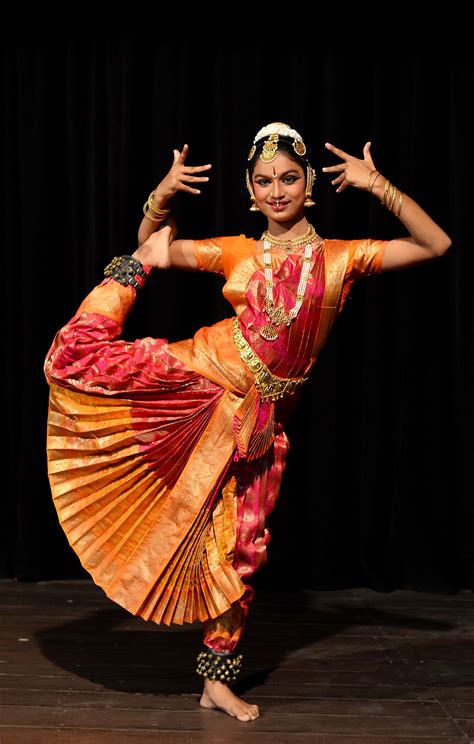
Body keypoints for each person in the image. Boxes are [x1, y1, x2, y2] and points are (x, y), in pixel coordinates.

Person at [44, 122, 451, 722]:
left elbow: (436, 244)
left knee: (243, 549)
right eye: (265, 181)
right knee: (82, 361)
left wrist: (379, 186)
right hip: (199, 377)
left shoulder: (342, 258)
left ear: (309, 184)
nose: (277, 190)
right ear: (250, 189)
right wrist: (159, 200)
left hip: (258, 421)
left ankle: (216, 679)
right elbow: (152, 245)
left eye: (288, 178)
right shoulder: (238, 249)